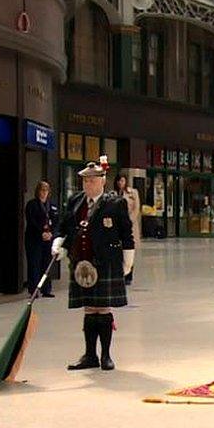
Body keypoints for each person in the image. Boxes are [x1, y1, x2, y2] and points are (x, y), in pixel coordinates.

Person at [51, 158, 135, 371]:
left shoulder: (115, 203)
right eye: (85, 180)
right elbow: (65, 227)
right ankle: (90, 355)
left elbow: (127, 234)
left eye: (91, 180)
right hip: (81, 264)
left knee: (103, 309)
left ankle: (106, 355)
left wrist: (128, 260)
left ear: (102, 181)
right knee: (89, 310)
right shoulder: (75, 201)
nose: (87, 184)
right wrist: (60, 243)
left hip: (105, 263)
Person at [25, 180, 58, 297]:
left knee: (46, 264)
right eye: (42, 190)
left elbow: (56, 221)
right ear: (38, 191)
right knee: (34, 263)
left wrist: (51, 233)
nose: (44, 193)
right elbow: (31, 221)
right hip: (35, 238)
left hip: (48, 238)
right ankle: (33, 290)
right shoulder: (32, 205)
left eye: (46, 190)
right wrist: (41, 233)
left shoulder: (52, 205)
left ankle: (46, 289)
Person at [114, 174, 141, 285]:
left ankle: (129, 275)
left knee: (130, 248)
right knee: (119, 249)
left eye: (123, 181)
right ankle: (121, 272)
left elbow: (136, 208)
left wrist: (130, 220)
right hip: (117, 225)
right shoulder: (113, 194)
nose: (121, 183)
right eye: (119, 181)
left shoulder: (133, 193)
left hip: (129, 224)